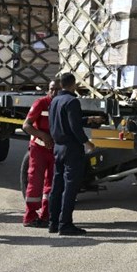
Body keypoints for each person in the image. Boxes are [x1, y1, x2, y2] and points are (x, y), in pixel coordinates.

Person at [48, 73, 95, 236]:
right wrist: (86, 142)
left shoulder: (55, 100)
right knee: (71, 187)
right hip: (71, 149)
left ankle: (53, 222)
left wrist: (86, 119)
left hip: (58, 147)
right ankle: (65, 224)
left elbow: (63, 121)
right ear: (73, 85)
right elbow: (74, 127)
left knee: (57, 185)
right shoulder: (72, 101)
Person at [22, 79, 59, 228]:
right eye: (52, 89)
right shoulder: (41, 103)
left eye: (57, 89)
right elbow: (26, 125)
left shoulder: (60, 104)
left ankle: (46, 215)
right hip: (38, 149)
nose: (54, 92)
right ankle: (30, 217)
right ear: (47, 89)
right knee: (35, 183)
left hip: (54, 150)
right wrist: (43, 136)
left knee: (51, 184)